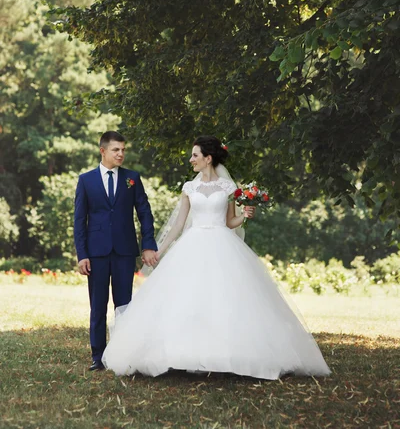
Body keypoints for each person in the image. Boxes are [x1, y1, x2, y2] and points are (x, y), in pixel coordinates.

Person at [102, 135, 331, 379]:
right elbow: (179, 224)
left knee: (226, 299)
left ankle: (229, 355)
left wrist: (245, 216)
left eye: (195, 156)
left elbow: (230, 222)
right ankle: (181, 354)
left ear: (208, 158)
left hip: (223, 244)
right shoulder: (189, 188)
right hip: (193, 244)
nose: (191, 160)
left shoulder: (228, 188)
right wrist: (160, 249)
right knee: (187, 299)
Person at [74, 131, 157, 371]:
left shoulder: (132, 178)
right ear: (103, 151)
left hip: (124, 251)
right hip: (96, 253)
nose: (121, 154)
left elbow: (144, 213)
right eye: (115, 150)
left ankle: (123, 354)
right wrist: (82, 254)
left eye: (123, 149)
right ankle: (97, 356)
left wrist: (148, 244)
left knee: (124, 305)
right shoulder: (86, 180)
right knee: (98, 306)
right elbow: (80, 221)